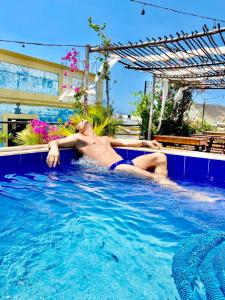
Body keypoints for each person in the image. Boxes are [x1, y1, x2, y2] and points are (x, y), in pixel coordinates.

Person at [46, 120, 175, 186]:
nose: (83, 119)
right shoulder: (78, 138)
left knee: (160, 157)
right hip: (116, 167)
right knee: (154, 178)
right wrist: (54, 148)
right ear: (79, 129)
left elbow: (125, 142)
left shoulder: (104, 138)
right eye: (80, 121)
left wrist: (145, 142)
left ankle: (162, 187)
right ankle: (173, 188)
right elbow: (55, 142)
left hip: (127, 163)